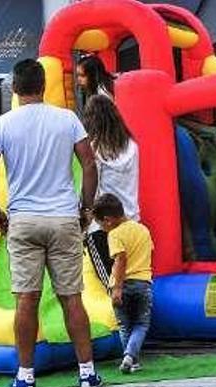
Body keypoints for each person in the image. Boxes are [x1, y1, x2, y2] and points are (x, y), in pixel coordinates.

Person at [0, 59, 101, 387]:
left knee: (26, 300)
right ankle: (87, 373)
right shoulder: (67, 119)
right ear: (44, 86)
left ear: (15, 89)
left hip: (23, 220)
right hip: (63, 218)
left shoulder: (2, 124)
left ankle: (25, 376)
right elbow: (89, 164)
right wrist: (86, 208)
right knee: (71, 298)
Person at [82, 94, 140, 288]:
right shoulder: (132, 146)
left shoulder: (96, 150)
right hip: (131, 220)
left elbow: (92, 185)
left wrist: (85, 214)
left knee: (113, 285)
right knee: (133, 280)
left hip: (104, 227)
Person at [93, 193, 153, 373]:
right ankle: (131, 358)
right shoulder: (143, 229)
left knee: (125, 324)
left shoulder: (114, 234)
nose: (102, 228)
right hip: (143, 283)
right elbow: (151, 252)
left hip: (122, 284)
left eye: (100, 224)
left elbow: (120, 259)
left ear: (108, 220)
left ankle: (129, 358)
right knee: (142, 323)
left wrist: (117, 287)